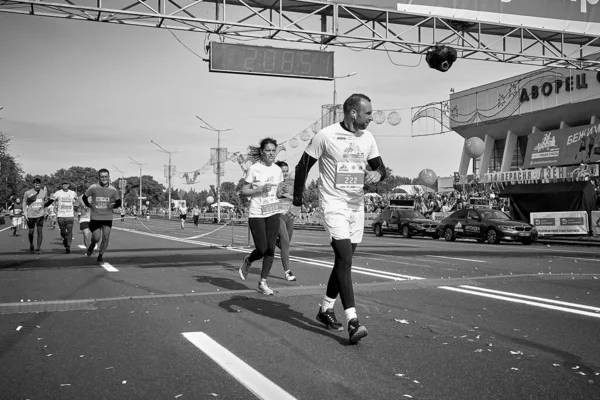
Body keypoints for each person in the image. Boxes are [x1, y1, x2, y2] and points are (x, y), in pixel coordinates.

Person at [288, 93, 387, 344]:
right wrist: (297, 202)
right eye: (368, 114)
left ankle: (325, 309)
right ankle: (353, 320)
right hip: (333, 205)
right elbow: (302, 167)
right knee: (344, 258)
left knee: (345, 261)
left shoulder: (368, 138)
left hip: (356, 206)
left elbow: (381, 167)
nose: (371, 119)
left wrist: (379, 174)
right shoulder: (325, 136)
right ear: (353, 113)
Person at [238, 138, 283, 296]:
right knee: (262, 249)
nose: (271, 153)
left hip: (273, 211)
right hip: (257, 213)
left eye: (273, 150)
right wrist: (259, 190)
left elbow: (278, 192)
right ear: (262, 152)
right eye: (268, 150)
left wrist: (284, 194)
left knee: (271, 249)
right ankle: (248, 260)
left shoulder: (277, 170)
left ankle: (263, 283)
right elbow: (243, 191)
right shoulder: (254, 169)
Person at [82, 169, 122, 265]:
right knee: (96, 238)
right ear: (99, 177)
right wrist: (89, 205)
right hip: (95, 217)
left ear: (108, 177)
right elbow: (84, 197)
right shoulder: (93, 187)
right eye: (102, 176)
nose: (104, 178)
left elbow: (118, 202)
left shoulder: (113, 189)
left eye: (106, 176)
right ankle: (92, 245)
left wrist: (113, 205)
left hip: (107, 217)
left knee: (106, 237)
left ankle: (100, 256)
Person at [275, 161, 296, 281]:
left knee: (286, 243)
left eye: (287, 171)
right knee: (285, 241)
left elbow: (298, 199)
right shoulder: (274, 184)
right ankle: (287, 271)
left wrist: (289, 195)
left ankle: (275, 241)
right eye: (283, 171)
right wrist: (280, 193)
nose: (285, 173)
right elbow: (275, 196)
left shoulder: (291, 184)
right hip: (279, 216)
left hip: (290, 215)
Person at [46, 181, 78, 254]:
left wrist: (76, 205)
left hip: (70, 215)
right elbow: (51, 200)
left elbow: (77, 201)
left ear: (69, 185)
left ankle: (68, 246)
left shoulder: (73, 193)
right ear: (62, 185)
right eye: (64, 184)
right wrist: (44, 206)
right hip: (61, 215)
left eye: (66, 184)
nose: (65, 185)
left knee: (70, 231)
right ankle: (64, 238)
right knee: (63, 231)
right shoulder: (58, 193)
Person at [23, 178, 50, 254]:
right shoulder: (27, 193)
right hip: (30, 215)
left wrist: (46, 211)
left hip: (40, 214)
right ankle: (31, 245)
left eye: (38, 185)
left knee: (39, 231)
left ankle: (38, 248)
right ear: (33, 184)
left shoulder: (44, 192)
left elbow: (46, 202)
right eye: (36, 185)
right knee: (31, 232)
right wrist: (25, 211)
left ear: (40, 185)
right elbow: (24, 202)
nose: (37, 186)